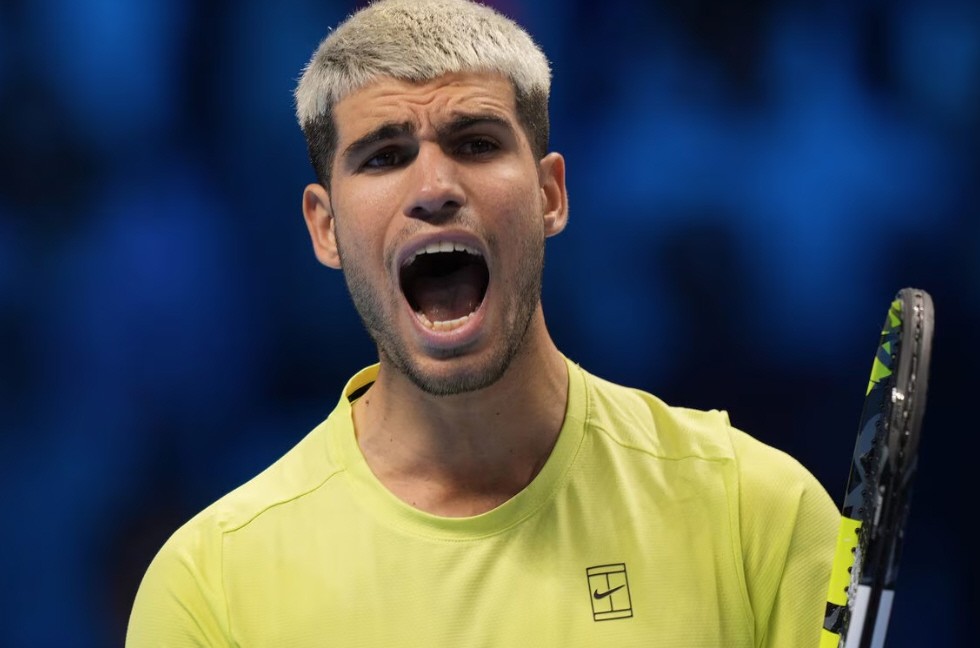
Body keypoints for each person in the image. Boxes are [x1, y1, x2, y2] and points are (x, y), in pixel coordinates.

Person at [126, 0, 840, 645]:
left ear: (550, 194)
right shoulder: (209, 587)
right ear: (325, 227)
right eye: (385, 156)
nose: (435, 188)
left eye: (475, 144)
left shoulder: (756, 513)